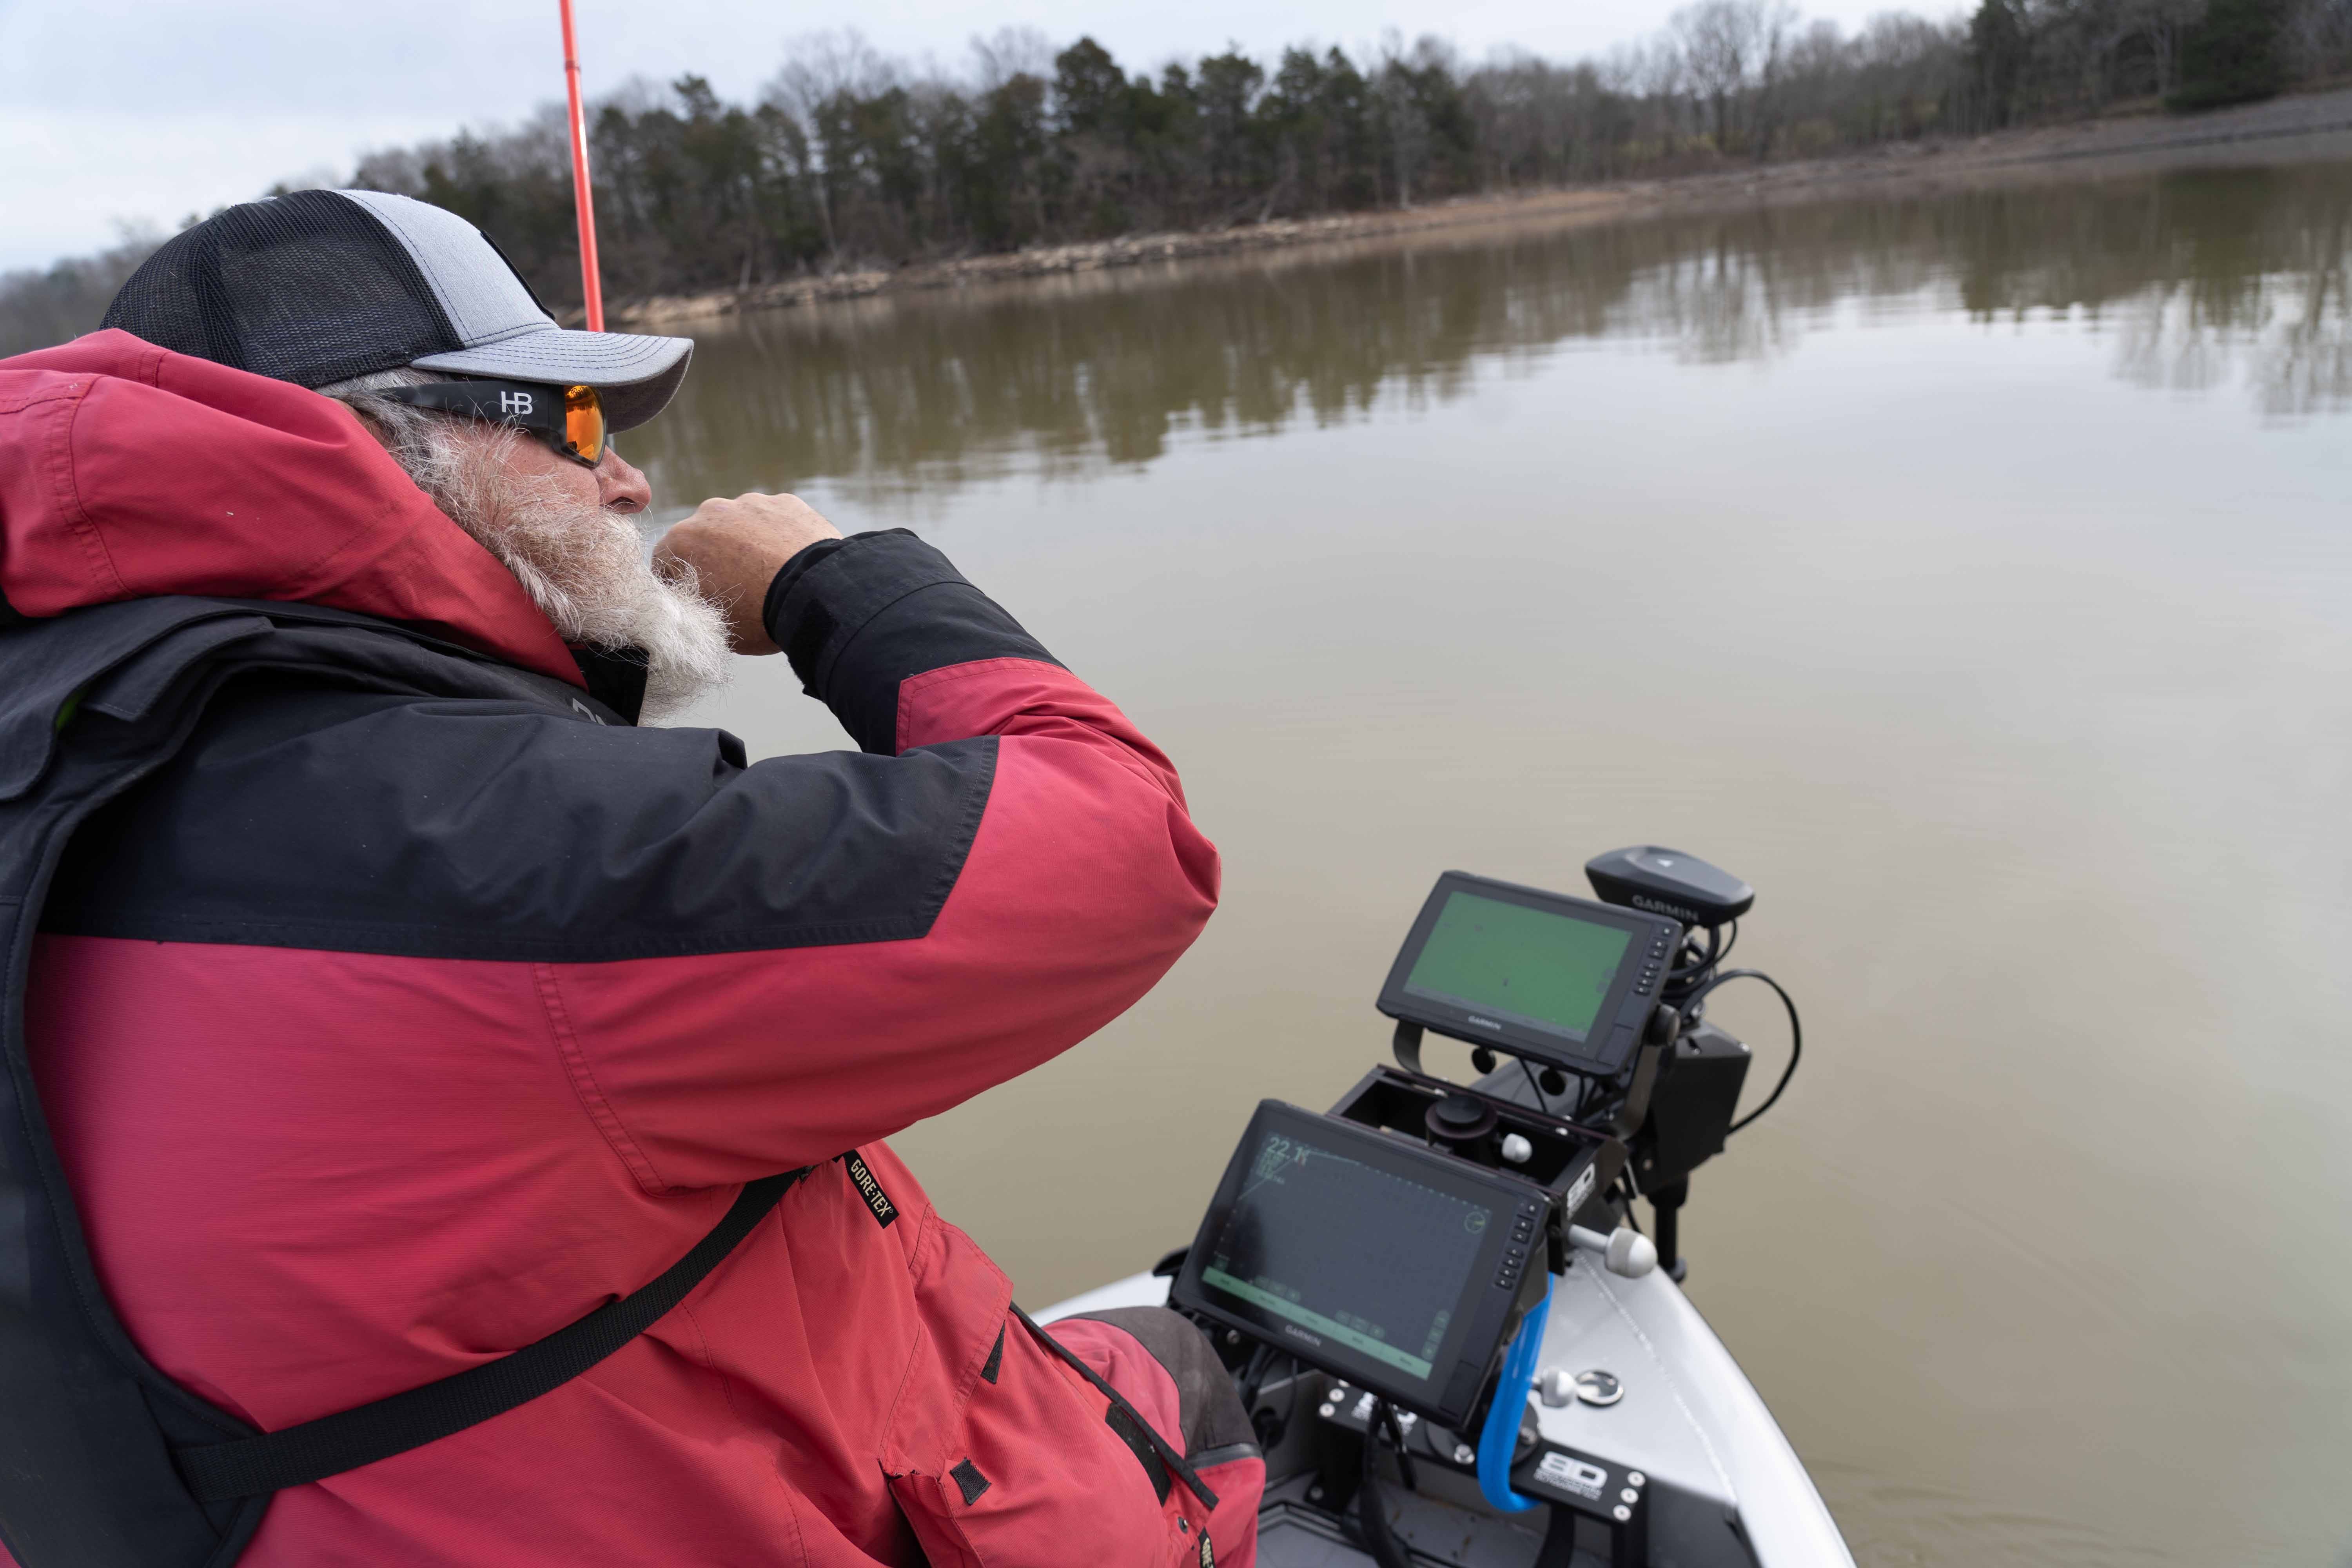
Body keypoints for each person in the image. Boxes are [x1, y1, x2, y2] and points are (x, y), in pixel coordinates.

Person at [0, 189, 1261, 1566]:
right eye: (580, 427)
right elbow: (1122, 842)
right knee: (1196, 1377)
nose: (632, 485)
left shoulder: (63, 742)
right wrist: (835, 580)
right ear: (398, 450)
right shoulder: (505, 848)